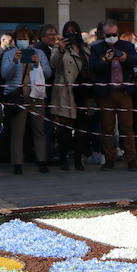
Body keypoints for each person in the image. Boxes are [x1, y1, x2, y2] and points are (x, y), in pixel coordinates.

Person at [89, 19, 137, 170]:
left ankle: (131, 159)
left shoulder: (127, 46)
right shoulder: (97, 48)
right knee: (107, 127)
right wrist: (105, 59)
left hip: (124, 92)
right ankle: (109, 159)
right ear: (103, 34)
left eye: (114, 34)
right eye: (109, 34)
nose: (112, 36)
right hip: (106, 93)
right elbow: (92, 67)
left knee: (127, 127)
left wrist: (125, 58)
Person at [0, 27, 51, 175]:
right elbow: (5, 74)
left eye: (26, 38)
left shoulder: (39, 53)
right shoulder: (9, 54)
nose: (23, 41)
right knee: (18, 131)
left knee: (39, 130)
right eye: (20, 38)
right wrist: (15, 61)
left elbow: (48, 74)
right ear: (15, 40)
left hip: (36, 95)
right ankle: (17, 163)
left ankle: (42, 161)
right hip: (18, 96)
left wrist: (38, 63)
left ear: (31, 40)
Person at [49, 33, 91, 171]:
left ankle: (78, 159)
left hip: (82, 93)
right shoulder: (59, 48)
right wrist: (60, 49)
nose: (72, 36)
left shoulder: (86, 50)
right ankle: (63, 159)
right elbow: (53, 64)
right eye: (68, 33)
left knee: (81, 129)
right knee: (65, 130)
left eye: (74, 32)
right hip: (65, 92)